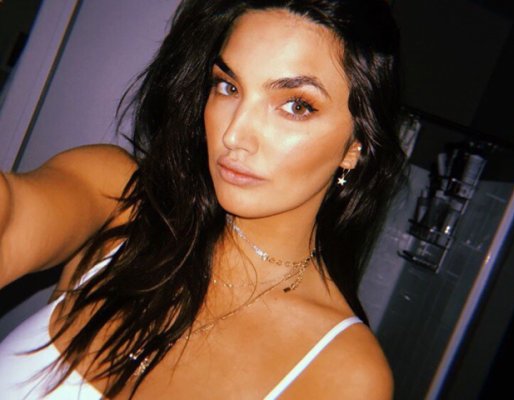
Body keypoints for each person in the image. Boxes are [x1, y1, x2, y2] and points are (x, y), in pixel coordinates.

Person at [0, 0, 406, 398]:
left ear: (356, 145)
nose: (234, 134)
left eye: (296, 106)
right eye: (228, 86)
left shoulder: (344, 374)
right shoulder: (119, 202)